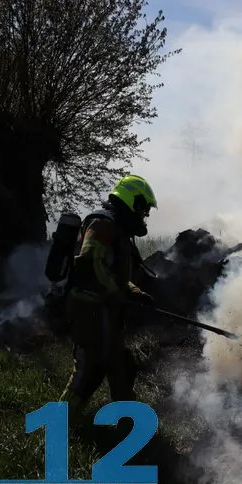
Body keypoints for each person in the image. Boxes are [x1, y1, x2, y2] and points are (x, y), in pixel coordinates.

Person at [59, 174, 157, 416]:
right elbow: (90, 262)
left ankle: (127, 423)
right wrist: (117, 294)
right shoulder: (103, 224)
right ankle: (59, 423)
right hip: (90, 311)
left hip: (106, 311)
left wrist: (135, 293)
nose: (144, 215)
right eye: (143, 208)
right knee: (88, 372)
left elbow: (113, 274)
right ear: (131, 201)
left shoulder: (118, 228)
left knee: (120, 366)